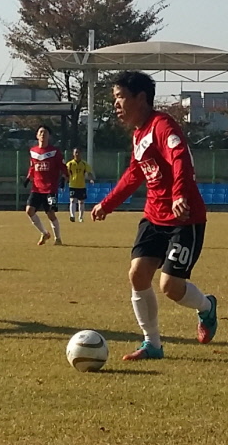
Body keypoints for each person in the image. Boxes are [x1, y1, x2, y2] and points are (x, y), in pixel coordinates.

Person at [89, 71, 218, 362]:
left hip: (184, 218)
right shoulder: (139, 134)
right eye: (115, 99)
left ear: (141, 98)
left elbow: (180, 158)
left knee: (170, 287)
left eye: (120, 98)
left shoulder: (162, 126)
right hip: (153, 217)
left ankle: (207, 307)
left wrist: (180, 194)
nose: (116, 105)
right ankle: (153, 344)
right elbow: (135, 173)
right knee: (137, 274)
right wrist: (107, 204)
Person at [22, 127, 64, 245]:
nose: (42, 134)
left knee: (50, 213)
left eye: (45, 132)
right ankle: (45, 233)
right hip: (36, 187)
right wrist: (28, 178)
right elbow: (32, 167)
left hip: (50, 188)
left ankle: (58, 238)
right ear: (37, 135)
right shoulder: (33, 151)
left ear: (49, 136)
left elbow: (62, 167)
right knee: (29, 210)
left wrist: (65, 177)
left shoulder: (54, 151)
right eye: (40, 132)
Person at [64, 150, 92, 222]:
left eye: (78, 152)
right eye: (76, 152)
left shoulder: (84, 164)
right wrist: (64, 182)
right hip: (72, 185)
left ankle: (80, 217)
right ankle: (72, 216)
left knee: (81, 202)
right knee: (72, 200)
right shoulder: (70, 164)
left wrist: (91, 179)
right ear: (73, 154)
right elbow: (66, 174)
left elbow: (89, 173)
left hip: (81, 185)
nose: (77, 154)